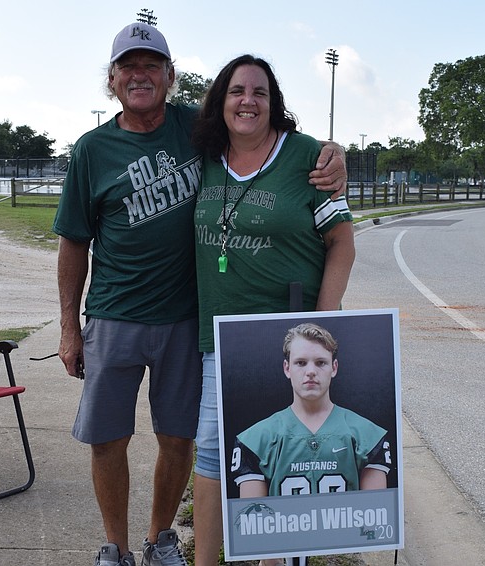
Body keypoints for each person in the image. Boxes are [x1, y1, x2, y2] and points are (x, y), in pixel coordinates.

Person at [53, 23, 348, 566]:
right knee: (107, 439)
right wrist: (70, 327)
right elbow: (73, 242)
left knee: (180, 440)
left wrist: (333, 152)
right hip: (114, 315)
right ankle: (115, 547)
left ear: (170, 76)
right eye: (128, 67)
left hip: (188, 320)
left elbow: (262, 127)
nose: (139, 76)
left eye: (151, 66)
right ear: (111, 79)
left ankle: (161, 540)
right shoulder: (91, 150)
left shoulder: (197, 127)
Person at [190, 55, 357, 566]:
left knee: (286, 450)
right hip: (221, 335)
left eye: (259, 92)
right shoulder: (205, 156)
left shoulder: (307, 156)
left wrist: (322, 323)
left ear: (273, 102)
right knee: (213, 453)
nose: (248, 101)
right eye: (237, 91)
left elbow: (342, 243)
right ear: (220, 102)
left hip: (291, 330)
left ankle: (276, 558)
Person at [231, 322, 390, 499]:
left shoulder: (367, 435)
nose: (311, 371)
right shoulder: (256, 440)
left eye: (321, 363)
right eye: (301, 363)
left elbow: (376, 510)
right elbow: (254, 513)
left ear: (334, 368)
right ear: (287, 368)